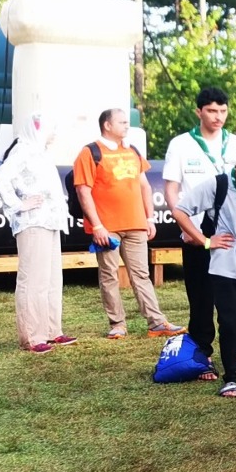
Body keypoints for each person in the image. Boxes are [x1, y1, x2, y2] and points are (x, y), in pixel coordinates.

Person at [171, 145, 236, 396]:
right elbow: (180, 211)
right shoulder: (217, 185)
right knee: (229, 322)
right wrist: (205, 241)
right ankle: (230, 376)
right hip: (224, 268)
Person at [73, 108, 181, 340]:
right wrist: (97, 226)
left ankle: (157, 322)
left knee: (141, 274)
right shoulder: (89, 152)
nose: (126, 126)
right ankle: (117, 324)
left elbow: (144, 186)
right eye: (122, 122)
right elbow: (83, 191)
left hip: (136, 224)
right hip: (107, 227)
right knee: (109, 274)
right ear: (107, 126)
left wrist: (149, 217)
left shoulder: (132, 150)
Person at [162, 86, 236, 370]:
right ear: (199, 112)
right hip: (195, 232)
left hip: (231, 235)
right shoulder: (181, 144)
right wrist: (184, 227)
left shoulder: (235, 144)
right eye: (211, 110)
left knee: (234, 297)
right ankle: (202, 353)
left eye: (223, 110)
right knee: (200, 297)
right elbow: (172, 187)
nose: (218, 116)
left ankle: (235, 353)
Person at [0, 112, 71, 352]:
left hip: (49, 221)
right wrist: (18, 205)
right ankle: (32, 336)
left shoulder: (40, 153)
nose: (54, 133)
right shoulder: (23, 151)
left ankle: (50, 330)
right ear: (37, 128)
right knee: (33, 279)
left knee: (51, 279)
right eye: (51, 128)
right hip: (32, 222)